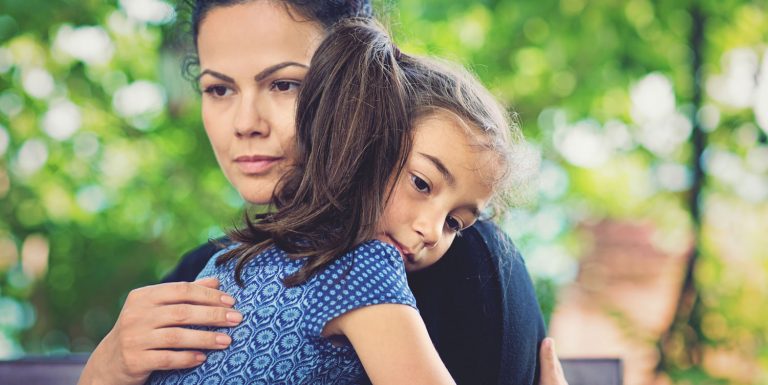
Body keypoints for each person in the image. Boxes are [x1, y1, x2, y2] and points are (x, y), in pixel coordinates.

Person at [77, 1, 567, 384]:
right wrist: (108, 367)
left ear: (359, 86)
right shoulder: (208, 271)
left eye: (284, 84)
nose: (245, 123)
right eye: (219, 89)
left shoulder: (464, 264)